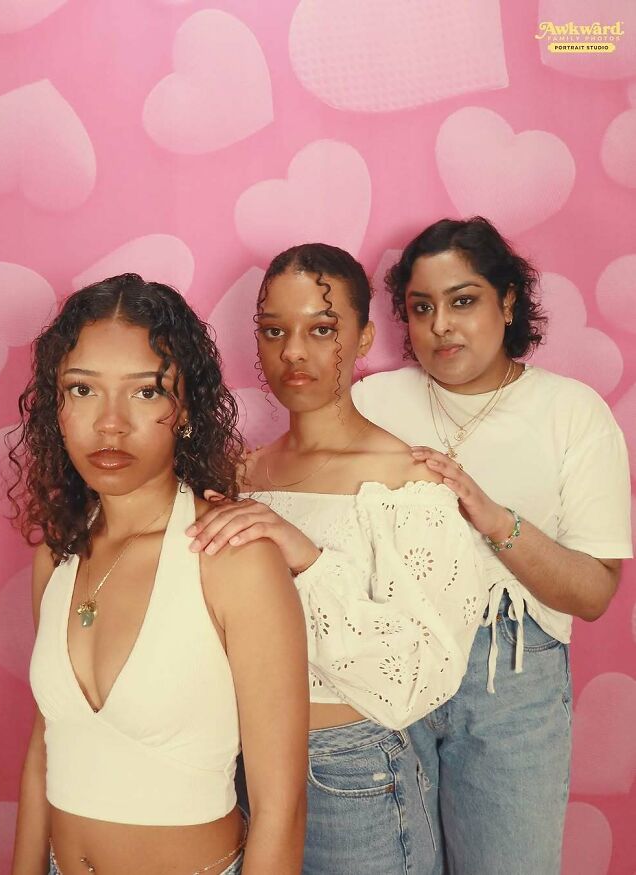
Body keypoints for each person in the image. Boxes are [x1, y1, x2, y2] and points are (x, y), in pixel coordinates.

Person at [185, 244, 485, 875]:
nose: (294, 352)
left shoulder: (411, 483)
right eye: (274, 332)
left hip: (350, 774)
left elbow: (413, 683)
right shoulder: (238, 475)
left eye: (322, 330)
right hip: (232, 766)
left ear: (364, 336)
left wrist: (304, 556)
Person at [351, 217, 633, 875]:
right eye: (422, 308)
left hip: (511, 670)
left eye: (464, 300)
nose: (441, 324)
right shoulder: (372, 402)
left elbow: (593, 592)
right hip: (388, 665)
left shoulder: (571, 412)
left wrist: (489, 516)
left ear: (508, 301)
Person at [8, 274, 308, 875]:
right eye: (83, 390)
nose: (111, 424)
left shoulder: (234, 558)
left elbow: (282, 807)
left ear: (186, 406)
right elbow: (48, 746)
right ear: (57, 408)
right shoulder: (59, 555)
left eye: (145, 393)